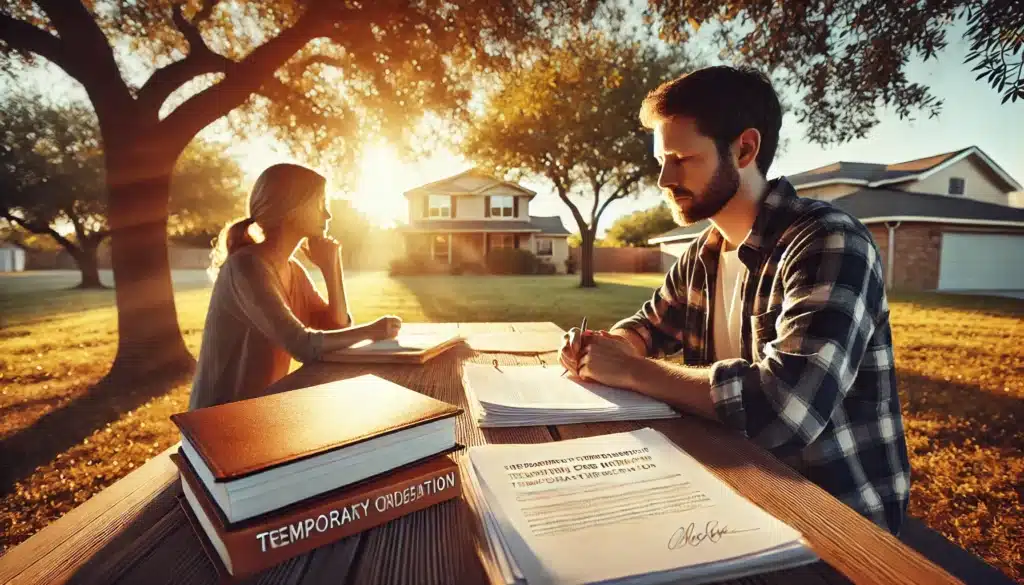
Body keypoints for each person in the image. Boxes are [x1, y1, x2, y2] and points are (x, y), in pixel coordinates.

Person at [559, 66, 911, 535]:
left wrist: (631, 370)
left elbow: (787, 406)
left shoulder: (829, 241)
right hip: (729, 493)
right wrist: (612, 344)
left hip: (833, 518)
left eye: (682, 158)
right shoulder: (701, 254)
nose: (664, 178)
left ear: (745, 149)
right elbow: (649, 325)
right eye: (662, 160)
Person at [188, 163, 402, 410]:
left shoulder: (294, 271)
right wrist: (373, 331)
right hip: (216, 423)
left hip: (260, 415)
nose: (328, 215)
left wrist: (332, 270)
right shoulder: (246, 267)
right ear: (291, 208)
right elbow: (304, 346)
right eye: (321, 203)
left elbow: (337, 326)